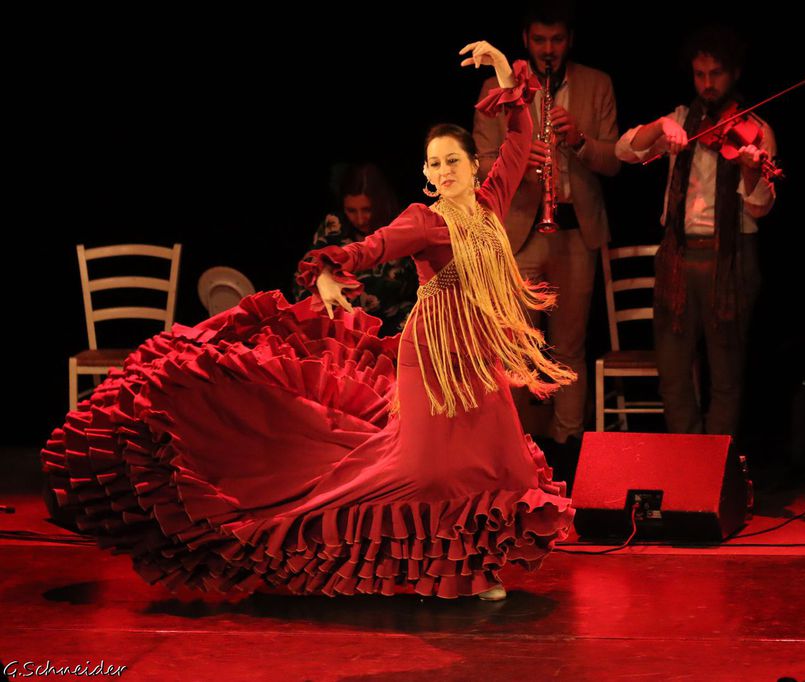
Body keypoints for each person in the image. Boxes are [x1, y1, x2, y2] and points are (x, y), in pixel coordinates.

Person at [41, 41, 575, 602]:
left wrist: (502, 74)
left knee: (495, 462)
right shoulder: (423, 220)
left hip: (476, 356)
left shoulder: (490, 203)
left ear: (473, 166)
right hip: (433, 356)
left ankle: (478, 567)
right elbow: (371, 247)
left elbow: (520, 138)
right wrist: (328, 267)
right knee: (427, 470)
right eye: (434, 163)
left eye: (453, 161)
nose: (444, 171)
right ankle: (293, 534)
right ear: (424, 172)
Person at [472, 6, 620, 480]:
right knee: (516, 348)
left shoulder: (597, 84)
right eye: (540, 40)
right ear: (526, 39)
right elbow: (479, 163)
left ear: (569, 39)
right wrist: (516, 158)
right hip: (520, 233)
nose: (549, 50)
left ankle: (568, 451)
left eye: (557, 40)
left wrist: (580, 142)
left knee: (569, 348)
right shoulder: (496, 87)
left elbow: (615, 159)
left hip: (576, 233)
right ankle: (519, 452)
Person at [614, 25, 776, 437]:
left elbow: (760, 207)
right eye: (699, 75)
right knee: (673, 374)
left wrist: (751, 170)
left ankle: (714, 464)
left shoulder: (755, 130)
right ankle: (685, 458)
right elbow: (624, 150)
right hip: (679, 258)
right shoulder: (679, 121)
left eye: (715, 74)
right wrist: (660, 126)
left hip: (732, 258)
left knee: (726, 376)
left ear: (734, 73)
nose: (707, 84)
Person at [291, 164, 417, 336]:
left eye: (367, 210)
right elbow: (304, 277)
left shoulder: (402, 226)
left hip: (394, 324)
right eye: (351, 210)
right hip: (340, 324)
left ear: (381, 204)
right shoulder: (335, 226)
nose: (360, 219)